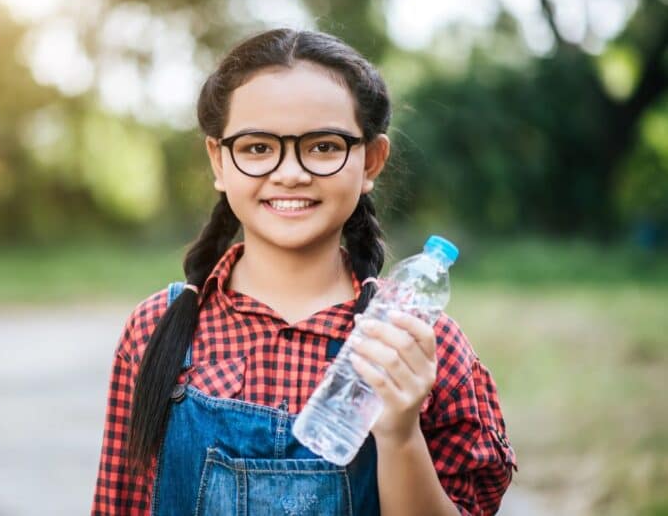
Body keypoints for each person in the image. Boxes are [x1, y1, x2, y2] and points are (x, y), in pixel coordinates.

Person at [91, 28, 517, 515]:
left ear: (371, 160)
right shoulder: (156, 329)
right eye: (256, 148)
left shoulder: (419, 345)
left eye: (322, 146)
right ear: (218, 160)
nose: (290, 172)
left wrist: (400, 433)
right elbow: (119, 505)